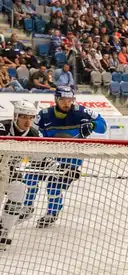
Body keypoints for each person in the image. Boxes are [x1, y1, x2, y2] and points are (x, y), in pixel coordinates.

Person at [23, 86, 106, 228]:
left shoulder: (82, 112)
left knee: (53, 186)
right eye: (63, 100)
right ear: (56, 99)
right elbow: (32, 133)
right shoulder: (43, 115)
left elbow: (103, 126)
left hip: (72, 158)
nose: (67, 103)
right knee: (30, 177)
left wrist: (92, 125)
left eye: (70, 100)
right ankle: (27, 207)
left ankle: (52, 213)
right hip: (48, 156)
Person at [0, 100, 41, 250]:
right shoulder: (2, 127)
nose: (27, 121)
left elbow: (41, 158)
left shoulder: (34, 134)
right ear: (16, 116)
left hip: (10, 170)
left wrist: (62, 169)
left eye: (31, 117)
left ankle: (3, 231)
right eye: (24, 117)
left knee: (20, 189)